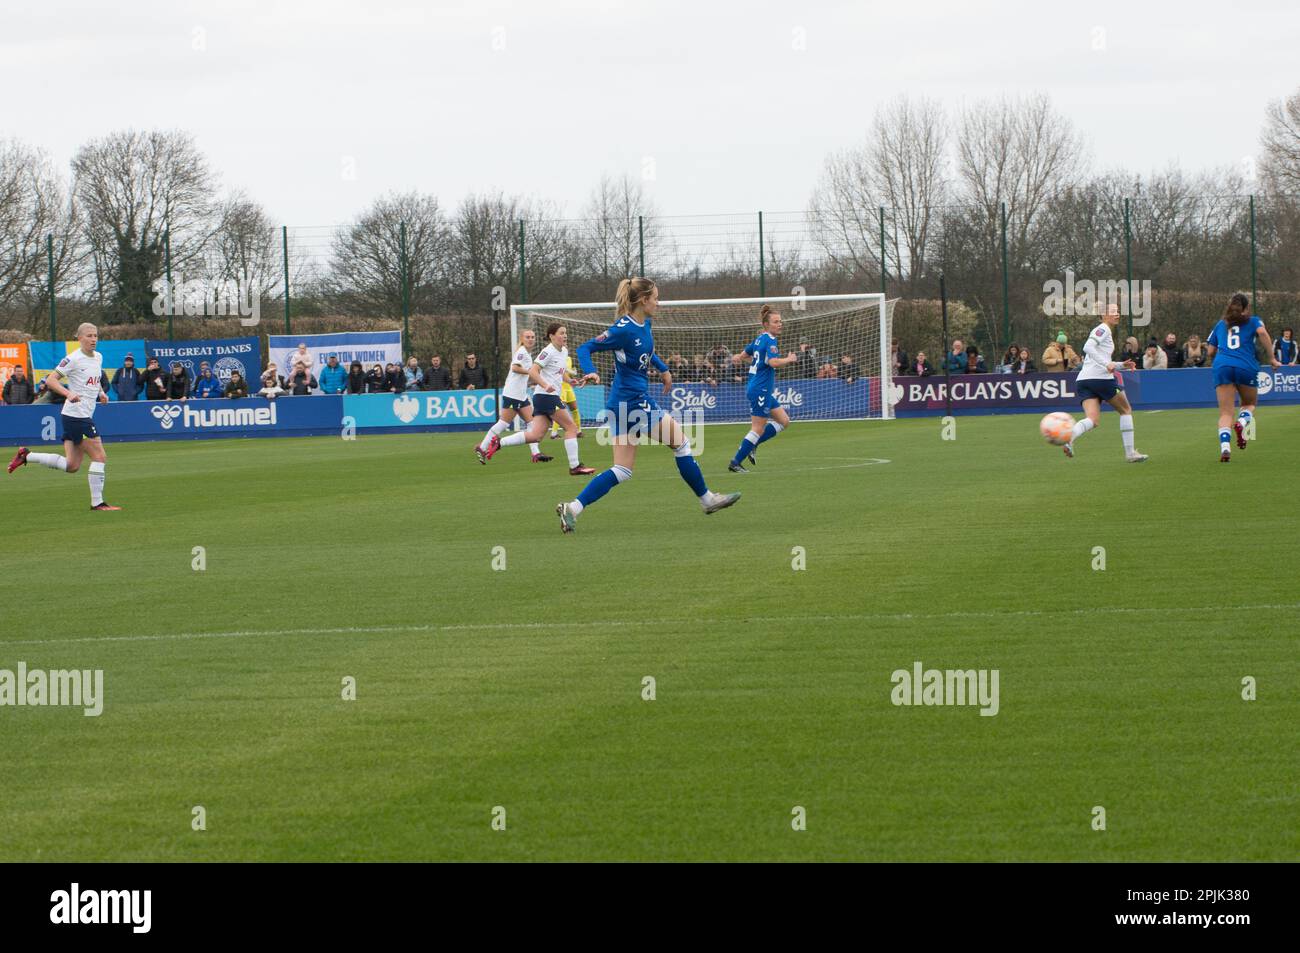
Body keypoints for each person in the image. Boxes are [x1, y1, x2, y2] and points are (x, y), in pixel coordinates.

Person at [557, 277, 739, 533]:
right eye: (655, 298)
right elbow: (586, 348)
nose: (659, 303)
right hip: (634, 402)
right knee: (682, 443)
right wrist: (591, 371)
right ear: (643, 300)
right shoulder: (622, 329)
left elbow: (647, 352)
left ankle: (572, 508)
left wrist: (664, 370)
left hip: (620, 403)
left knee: (622, 470)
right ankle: (707, 499)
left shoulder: (644, 324)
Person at [7, 323, 120, 510]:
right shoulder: (72, 359)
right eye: (89, 336)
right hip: (77, 417)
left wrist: (101, 392)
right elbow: (51, 380)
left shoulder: (98, 357)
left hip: (76, 415)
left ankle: (27, 455)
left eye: (95, 336)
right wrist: (68, 394)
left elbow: (96, 379)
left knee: (72, 465)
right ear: (80, 338)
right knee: (99, 456)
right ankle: (98, 503)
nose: (93, 339)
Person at [487, 324, 593, 475]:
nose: (565, 336)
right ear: (551, 336)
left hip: (545, 397)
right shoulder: (547, 352)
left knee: (535, 436)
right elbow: (533, 371)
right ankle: (575, 466)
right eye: (561, 333)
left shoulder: (563, 351)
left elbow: (559, 372)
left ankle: (499, 443)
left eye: (565, 333)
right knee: (571, 428)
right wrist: (545, 384)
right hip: (546, 396)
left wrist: (569, 381)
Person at [1062, 304, 1147, 463]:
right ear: (1104, 315)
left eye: (1118, 311)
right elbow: (1088, 347)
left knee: (1092, 420)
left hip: (1084, 380)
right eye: (1114, 312)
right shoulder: (1103, 329)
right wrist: (1106, 365)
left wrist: (1121, 365)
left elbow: (1100, 358)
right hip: (1100, 379)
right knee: (1126, 410)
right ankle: (1130, 453)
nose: (1118, 314)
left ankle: (1069, 439)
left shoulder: (1104, 331)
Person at [1206, 292, 1281, 462]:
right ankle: (1242, 422)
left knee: (1225, 413)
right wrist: (1271, 358)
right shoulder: (1254, 320)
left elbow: (1210, 351)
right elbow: (1262, 332)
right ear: (1247, 307)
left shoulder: (1220, 324)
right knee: (1249, 404)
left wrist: (1221, 359)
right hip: (1246, 366)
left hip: (1222, 366)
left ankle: (1225, 448)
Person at [727, 304, 799, 473]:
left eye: (780, 321)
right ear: (766, 325)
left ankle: (754, 444)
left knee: (784, 421)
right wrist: (789, 359)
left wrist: (739, 358)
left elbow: (744, 355)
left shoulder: (759, 339)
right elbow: (773, 362)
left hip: (759, 387)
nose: (780, 324)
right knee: (758, 428)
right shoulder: (771, 340)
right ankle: (736, 462)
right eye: (776, 321)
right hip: (760, 388)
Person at [475, 330, 549, 464]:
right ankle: (482, 447)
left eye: (532, 337)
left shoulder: (527, 353)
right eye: (527, 337)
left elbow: (521, 374)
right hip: (513, 394)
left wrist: (532, 378)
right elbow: (514, 368)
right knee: (503, 423)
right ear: (522, 338)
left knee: (532, 423)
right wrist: (530, 372)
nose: (531, 339)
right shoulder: (521, 351)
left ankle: (536, 453)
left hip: (521, 394)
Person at [548, 352, 584, 441]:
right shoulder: (556, 357)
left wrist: (572, 375)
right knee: (559, 410)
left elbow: (568, 373)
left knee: (575, 409)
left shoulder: (569, 358)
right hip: (561, 387)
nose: (565, 344)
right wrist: (570, 371)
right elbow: (561, 370)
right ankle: (554, 433)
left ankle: (578, 431)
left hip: (569, 387)